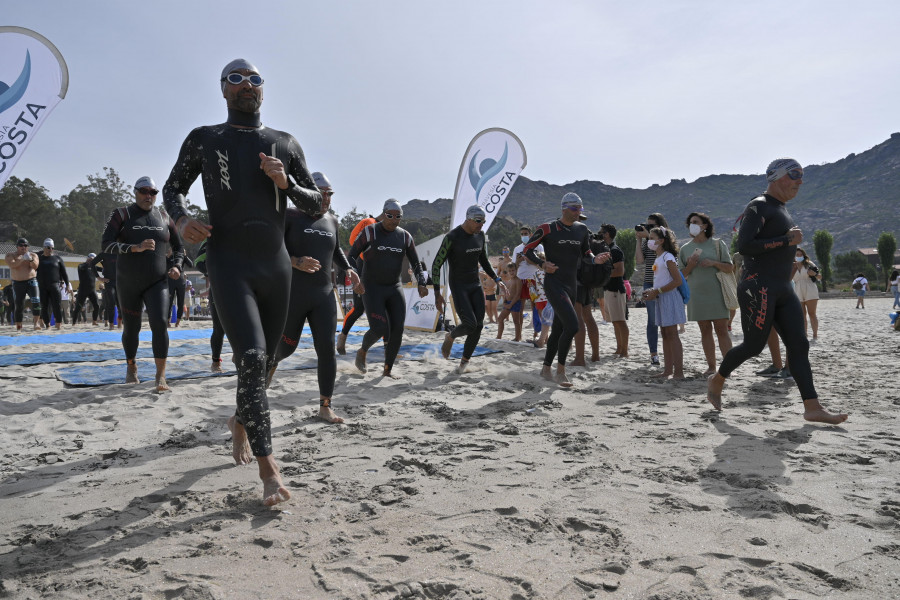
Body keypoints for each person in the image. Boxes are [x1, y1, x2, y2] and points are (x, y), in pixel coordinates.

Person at [163, 58, 324, 505]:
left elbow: (316, 206)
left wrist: (286, 182)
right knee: (250, 357)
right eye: (236, 79)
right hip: (228, 262)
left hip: (275, 267)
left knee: (267, 363)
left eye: (254, 79)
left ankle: (240, 420)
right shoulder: (206, 138)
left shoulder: (283, 143)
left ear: (263, 90)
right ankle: (269, 471)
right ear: (223, 90)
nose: (246, 85)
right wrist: (180, 219)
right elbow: (172, 187)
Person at [707, 158, 848, 424]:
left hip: (783, 287)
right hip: (758, 286)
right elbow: (746, 245)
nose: (800, 181)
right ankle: (718, 378)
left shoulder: (781, 209)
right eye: (794, 174)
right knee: (753, 345)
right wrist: (787, 240)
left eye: (802, 175)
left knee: (799, 345)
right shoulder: (759, 205)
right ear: (775, 177)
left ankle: (812, 407)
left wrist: (787, 242)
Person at [269, 172, 361, 423]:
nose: (326, 198)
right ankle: (270, 366)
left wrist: (349, 269)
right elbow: (270, 249)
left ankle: (325, 406)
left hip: (323, 295)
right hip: (293, 294)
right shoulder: (289, 216)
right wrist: (296, 261)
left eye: (330, 194)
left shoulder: (331, 221)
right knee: (286, 348)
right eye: (322, 193)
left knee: (326, 351)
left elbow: (337, 249)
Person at [102, 176, 184, 392]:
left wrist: (177, 266)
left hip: (158, 281)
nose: (149, 196)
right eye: (144, 191)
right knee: (132, 328)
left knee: (159, 323)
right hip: (129, 282)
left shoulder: (164, 216)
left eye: (153, 192)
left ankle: (160, 376)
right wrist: (133, 248)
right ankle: (131, 366)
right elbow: (106, 245)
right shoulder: (122, 214)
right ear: (135, 192)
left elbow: (179, 247)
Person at [524, 193, 610, 388]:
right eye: (574, 208)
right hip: (554, 283)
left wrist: (595, 259)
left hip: (572, 285)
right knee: (572, 326)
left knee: (560, 329)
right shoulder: (547, 228)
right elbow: (527, 249)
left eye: (580, 208)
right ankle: (560, 371)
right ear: (564, 208)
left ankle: (546, 368)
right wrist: (542, 264)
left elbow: (586, 253)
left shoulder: (582, 229)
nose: (578, 212)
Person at [349, 199, 428, 378]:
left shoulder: (405, 236)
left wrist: (421, 283)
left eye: (398, 217)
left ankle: (387, 370)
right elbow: (351, 257)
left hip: (394, 286)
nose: (394, 220)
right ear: (383, 214)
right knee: (379, 329)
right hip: (372, 287)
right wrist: (355, 279)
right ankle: (362, 351)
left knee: (398, 329)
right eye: (390, 216)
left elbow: (416, 263)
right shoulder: (370, 232)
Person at [432, 205, 506, 374]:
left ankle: (464, 363)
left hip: (474, 284)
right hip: (459, 286)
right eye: (478, 221)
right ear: (468, 219)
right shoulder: (452, 237)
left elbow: (484, 261)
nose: (481, 225)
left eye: (484, 222)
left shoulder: (479, 235)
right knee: (470, 324)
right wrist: (437, 293)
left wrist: (497, 279)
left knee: (479, 326)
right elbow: (436, 265)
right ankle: (450, 337)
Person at [678, 212, 734, 376]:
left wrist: (714, 263)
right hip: (696, 294)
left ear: (705, 226)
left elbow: (730, 267)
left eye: (695, 222)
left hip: (717, 292)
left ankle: (728, 367)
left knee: (722, 330)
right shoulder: (685, 248)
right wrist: (690, 265)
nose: (692, 225)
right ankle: (711, 367)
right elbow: (681, 275)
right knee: (705, 331)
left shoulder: (717, 244)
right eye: (690, 223)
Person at [641, 227, 686, 379]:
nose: (649, 241)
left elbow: (677, 280)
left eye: (652, 238)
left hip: (670, 297)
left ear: (661, 241)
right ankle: (668, 370)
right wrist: (652, 292)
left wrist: (657, 291)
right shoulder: (658, 257)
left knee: (672, 334)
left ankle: (678, 372)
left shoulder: (668, 257)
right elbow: (662, 280)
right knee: (665, 334)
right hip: (661, 297)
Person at [337, 213, 381, 355]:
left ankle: (388, 347)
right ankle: (342, 337)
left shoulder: (385, 229)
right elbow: (353, 242)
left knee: (379, 309)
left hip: (372, 269)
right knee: (358, 308)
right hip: (363, 267)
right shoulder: (369, 222)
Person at [634, 213, 668, 365]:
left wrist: (650, 236)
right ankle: (654, 354)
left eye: (652, 225)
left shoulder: (665, 239)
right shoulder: (647, 241)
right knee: (652, 321)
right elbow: (640, 261)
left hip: (664, 283)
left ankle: (669, 352)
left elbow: (661, 253)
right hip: (649, 283)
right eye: (647, 225)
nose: (648, 228)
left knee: (667, 321)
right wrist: (639, 239)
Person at [193, 241, 226, 372]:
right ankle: (216, 361)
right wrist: (214, 271)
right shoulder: (211, 238)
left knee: (244, 326)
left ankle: (239, 355)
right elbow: (197, 262)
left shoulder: (243, 233)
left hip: (242, 288)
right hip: (219, 288)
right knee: (219, 329)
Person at [600, 224, 629, 358]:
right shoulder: (607, 249)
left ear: (607, 234)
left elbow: (620, 271)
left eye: (602, 232)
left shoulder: (615, 250)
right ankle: (619, 348)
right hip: (609, 289)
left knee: (620, 321)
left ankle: (625, 350)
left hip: (616, 290)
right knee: (615, 322)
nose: (600, 234)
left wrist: (603, 273)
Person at [512, 226, 543, 344]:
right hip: (521, 280)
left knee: (536, 307)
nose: (524, 235)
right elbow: (513, 266)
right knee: (519, 307)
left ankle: (536, 334)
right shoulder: (517, 248)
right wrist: (518, 262)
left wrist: (531, 260)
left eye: (526, 233)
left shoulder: (538, 246)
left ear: (531, 234)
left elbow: (542, 262)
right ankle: (518, 336)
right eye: (522, 234)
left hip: (534, 279)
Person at [5, 238, 42, 330]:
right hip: (17, 283)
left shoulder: (33, 255)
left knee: (36, 301)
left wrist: (29, 260)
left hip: (31, 281)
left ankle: (36, 324)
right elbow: (12, 265)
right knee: (19, 304)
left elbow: (35, 266)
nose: (23, 247)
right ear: (17, 246)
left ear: (28, 247)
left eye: (25, 245)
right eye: (21, 245)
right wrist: (22, 259)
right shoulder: (10, 255)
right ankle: (19, 325)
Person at [37, 238, 72, 330]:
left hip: (54, 285)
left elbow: (64, 273)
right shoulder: (39, 259)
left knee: (57, 305)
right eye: (48, 247)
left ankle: (58, 323)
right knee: (44, 306)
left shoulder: (58, 259)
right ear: (44, 248)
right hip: (42, 286)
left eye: (52, 248)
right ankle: (47, 324)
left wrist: (67, 285)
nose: (50, 250)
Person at [791, 247, 820, 340]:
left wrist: (814, 274)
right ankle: (805, 334)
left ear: (803, 255)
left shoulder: (809, 264)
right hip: (797, 289)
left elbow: (820, 276)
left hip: (810, 288)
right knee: (801, 314)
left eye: (800, 254)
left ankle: (815, 334)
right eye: (797, 255)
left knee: (812, 313)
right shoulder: (790, 265)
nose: (799, 256)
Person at [166, 248, 194, 327]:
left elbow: (191, 265)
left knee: (180, 302)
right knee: (169, 302)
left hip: (180, 282)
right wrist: (168, 255)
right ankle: (167, 321)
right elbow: (161, 265)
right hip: (170, 281)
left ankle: (178, 321)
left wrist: (185, 256)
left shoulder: (181, 258)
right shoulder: (168, 258)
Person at [73, 253, 101, 326]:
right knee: (78, 307)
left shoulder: (94, 267)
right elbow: (81, 268)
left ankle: (94, 321)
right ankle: (73, 323)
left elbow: (104, 269)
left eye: (94, 259)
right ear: (88, 258)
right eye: (91, 259)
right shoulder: (82, 265)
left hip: (92, 290)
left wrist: (103, 261)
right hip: (83, 290)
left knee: (97, 306)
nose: (92, 260)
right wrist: (88, 263)